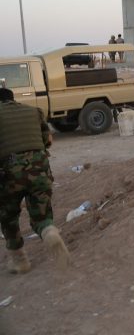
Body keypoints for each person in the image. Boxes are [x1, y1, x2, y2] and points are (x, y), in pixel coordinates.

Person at [0, 87, 70, 273]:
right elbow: (47, 141)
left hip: (9, 173)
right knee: (40, 214)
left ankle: (20, 261)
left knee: (8, 216)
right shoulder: (33, 111)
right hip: (40, 168)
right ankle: (49, 231)